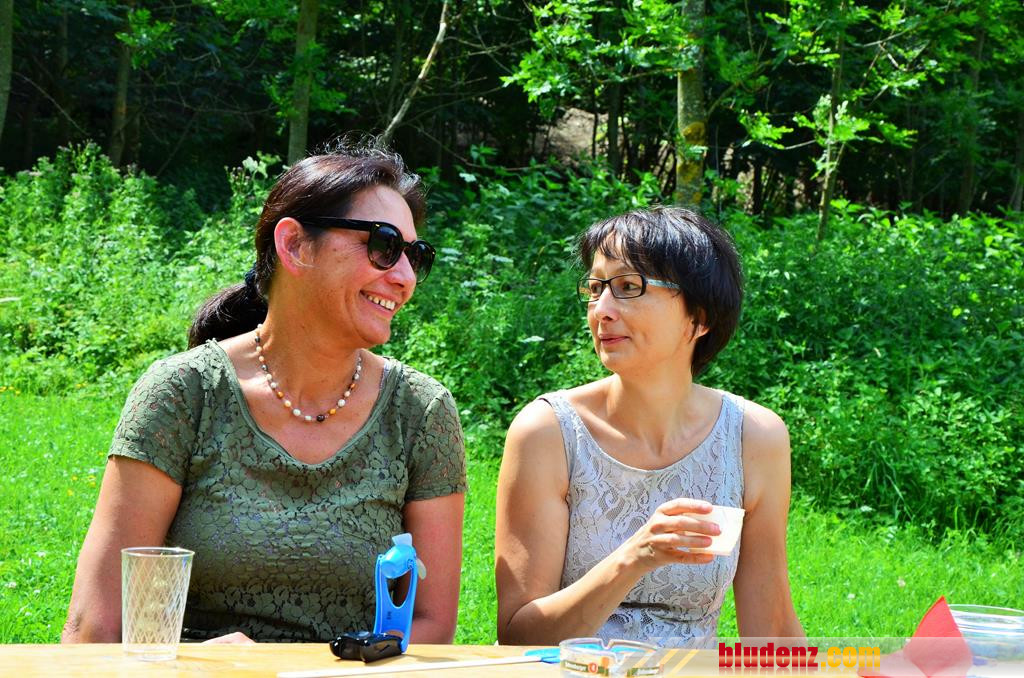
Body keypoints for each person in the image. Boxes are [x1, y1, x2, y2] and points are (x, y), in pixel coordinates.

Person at [62, 146, 467, 644]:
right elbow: (96, 625)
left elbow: (429, 626)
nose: (404, 277)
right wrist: (199, 667)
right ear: (294, 245)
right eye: (384, 245)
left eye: (414, 256)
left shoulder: (420, 411)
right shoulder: (184, 393)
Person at [495, 206, 803, 646]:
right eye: (596, 288)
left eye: (628, 287)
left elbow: (770, 631)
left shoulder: (754, 438)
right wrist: (635, 556)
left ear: (699, 317)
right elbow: (519, 639)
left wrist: (853, 668)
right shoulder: (548, 433)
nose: (601, 310)